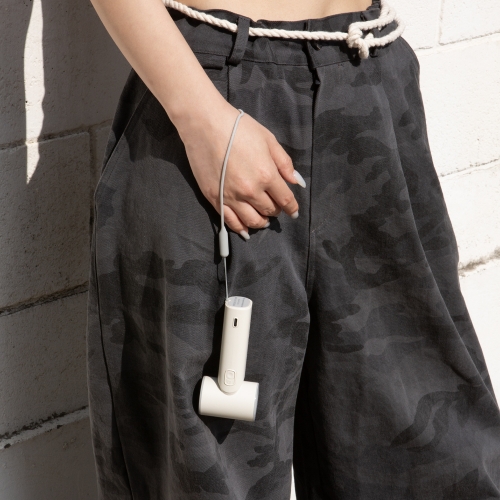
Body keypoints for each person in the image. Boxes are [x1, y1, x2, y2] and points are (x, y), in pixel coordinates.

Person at [86, 0, 500, 498]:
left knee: (433, 451)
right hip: (212, 106)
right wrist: (202, 118)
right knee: (205, 466)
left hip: (370, 83)